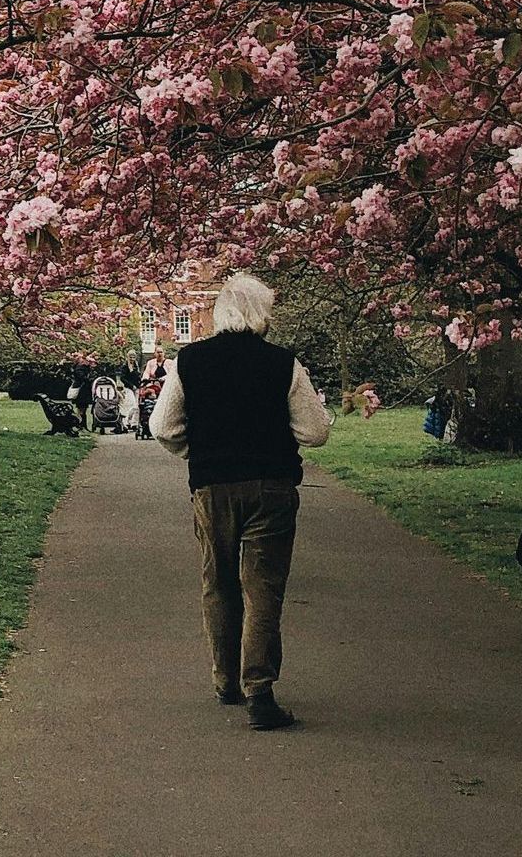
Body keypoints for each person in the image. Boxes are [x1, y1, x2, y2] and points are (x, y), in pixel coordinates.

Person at [151, 274, 331, 731]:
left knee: (219, 583)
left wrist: (202, 453)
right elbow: (315, 432)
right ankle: (260, 691)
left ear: (220, 313)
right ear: (262, 314)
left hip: (212, 489)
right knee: (263, 588)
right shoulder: (283, 365)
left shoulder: (189, 362)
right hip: (270, 488)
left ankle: (225, 680)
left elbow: (163, 427)